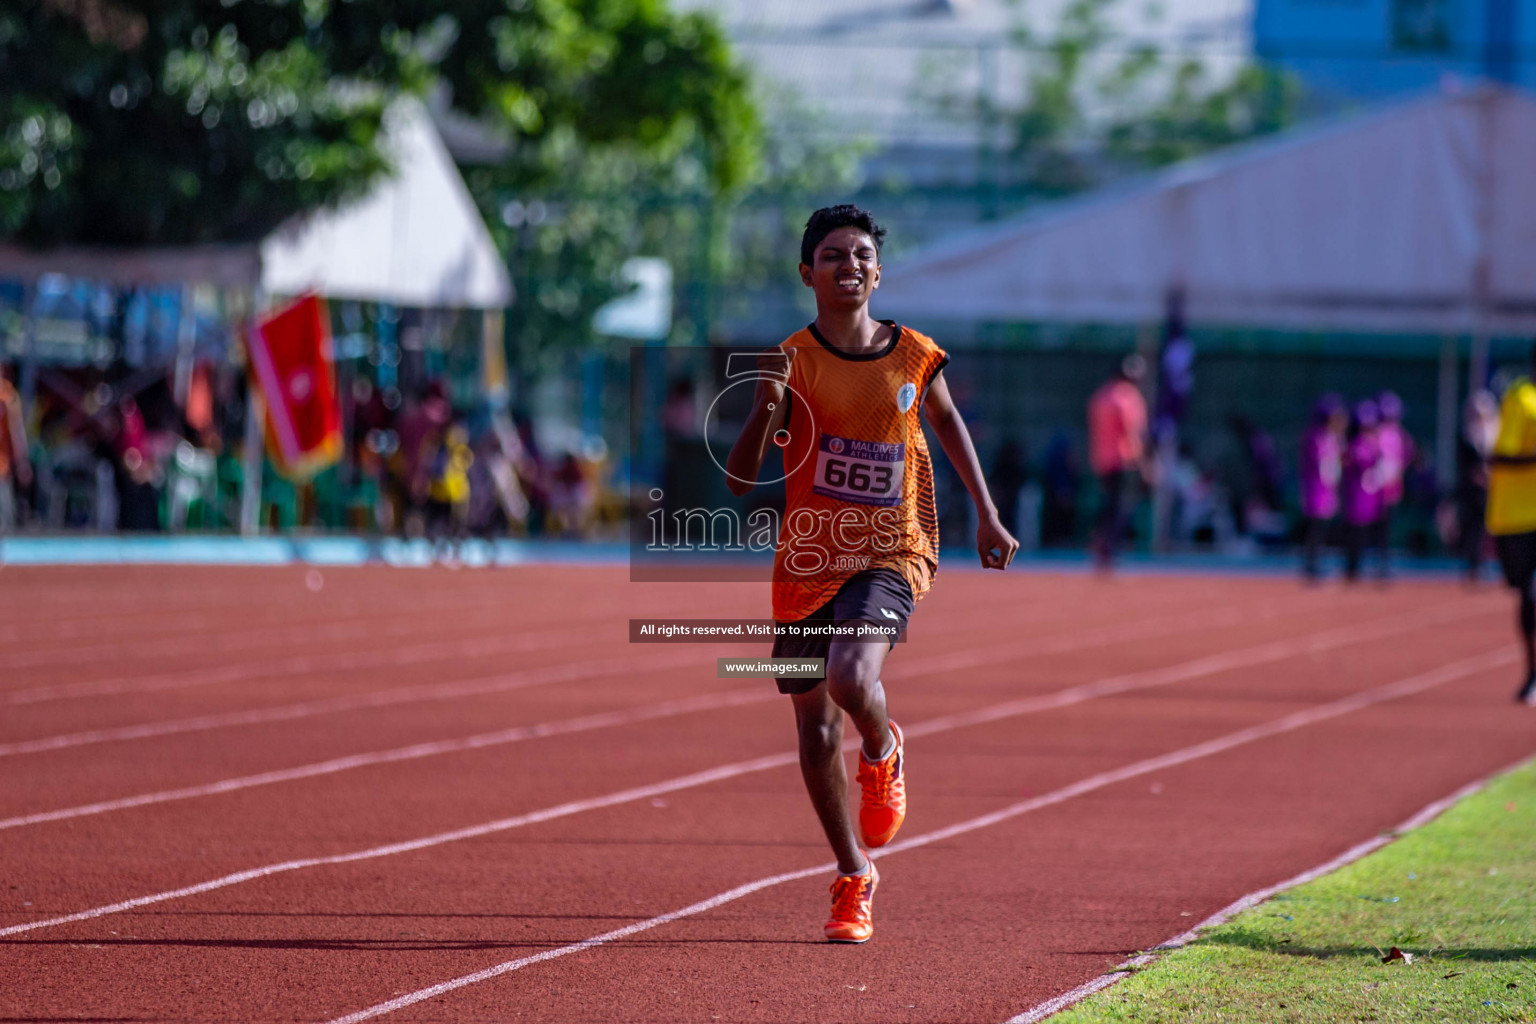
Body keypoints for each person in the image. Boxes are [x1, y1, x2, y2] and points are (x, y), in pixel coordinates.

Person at [726, 205, 1019, 944]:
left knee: (853, 679)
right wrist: (764, 406)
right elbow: (738, 480)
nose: (848, 265)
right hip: (808, 560)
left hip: (893, 547)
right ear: (807, 273)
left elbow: (947, 424)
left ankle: (884, 753)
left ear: (878, 272)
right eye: (832, 255)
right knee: (816, 726)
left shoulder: (913, 353)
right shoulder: (790, 359)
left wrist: (986, 511)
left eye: (861, 255)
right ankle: (854, 875)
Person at [1486, 346, 1536, 705]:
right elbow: (1500, 455)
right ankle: (1532, 673)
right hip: (1517, 516)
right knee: (1528, 596)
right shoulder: (1521, 399)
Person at [1087, 354, 1149, 570]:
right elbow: (1131, 432)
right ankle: (1108, 550)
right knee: (1121, 507)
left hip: (1102, 460)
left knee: (1109, 505)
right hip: (1123, 460)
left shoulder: (1101, 396)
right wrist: (1144, 463)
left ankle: (1101, 545)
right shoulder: (1127, 397)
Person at [1298, 395, 1347, 581]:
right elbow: (1321, 464)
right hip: (1317, 489)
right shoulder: (1316, 437)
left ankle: (1315, 563)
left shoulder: (1332, 438)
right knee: (1315, 529)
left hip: (1327, 489)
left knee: (1322, 529)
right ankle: (1311, 565)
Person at [1340, 400, 1385, 583]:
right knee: (1354, 534)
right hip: (1356, 495)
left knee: (1367, 534)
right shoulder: (1357, 445)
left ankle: (1363, 568)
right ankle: (1352, 568)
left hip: (1369, 497)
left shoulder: (1374, 445)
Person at [1458, 390, 1498, 583]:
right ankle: (1474, 565)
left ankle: (1492, 563)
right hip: (1473, 491)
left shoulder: (1495, 434)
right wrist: (1475, 476)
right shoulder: (1467, 435)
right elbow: (1464, 464)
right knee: (1474, 527)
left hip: (1494, 488)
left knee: (1492, 527)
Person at [1374, 392, 1414, 578]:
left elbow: (1405, 458)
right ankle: (1377, 562)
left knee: (1386, 528)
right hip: (1375, 489)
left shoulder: (1399, 436)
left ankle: (1383, 562)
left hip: (1391, 487)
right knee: (1375, 527)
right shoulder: (1378, 435)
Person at [0, 364, 32, 533]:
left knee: (5, 519)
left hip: (2, 467)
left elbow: (16, 430)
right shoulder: (7, 394)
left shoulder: (7, 395)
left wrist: (22, 462)